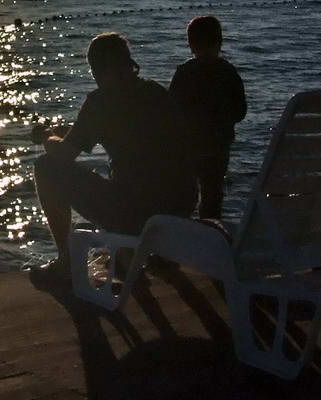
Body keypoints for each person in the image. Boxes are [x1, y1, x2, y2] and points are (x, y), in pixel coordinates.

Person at [30, 33, 197, 282]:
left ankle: (66, 261)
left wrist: (47, 138)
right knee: (133, 180)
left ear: (98, 69)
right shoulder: (155, 92)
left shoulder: (101, 101)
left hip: (138, 215)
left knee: (45, 166)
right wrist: (68, 133)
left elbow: (64, 154)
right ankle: (129, 255)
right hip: (178, 208)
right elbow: (117, 133)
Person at [168, 16, 247, 219]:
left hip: (188, 145)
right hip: (218, 146)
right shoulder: (228, 71)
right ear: (220, 42)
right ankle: (211, 230)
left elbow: (171, 109)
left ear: (190, 45)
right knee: (213, 195)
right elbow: (240, 111)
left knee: (183, 193)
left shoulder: (184, 72)